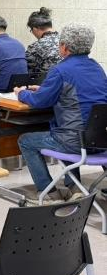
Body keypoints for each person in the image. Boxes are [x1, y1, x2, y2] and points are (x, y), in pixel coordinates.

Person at [16, 24, 107, 205]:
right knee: (68, 131)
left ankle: (48, 192)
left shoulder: (60, 70)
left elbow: (39, 101)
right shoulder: (97, 68)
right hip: (101, 141)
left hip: (74, 142)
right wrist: (46, 88)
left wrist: (21, 93)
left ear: (64, 47)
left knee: (26, 141)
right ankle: (74, 188)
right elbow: (80, 92)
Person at [25, 7, 61, 75]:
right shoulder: (66, 41)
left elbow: (27, 71)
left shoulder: (35, 47)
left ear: (35, 29)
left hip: (47, 81)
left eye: (31, 30)